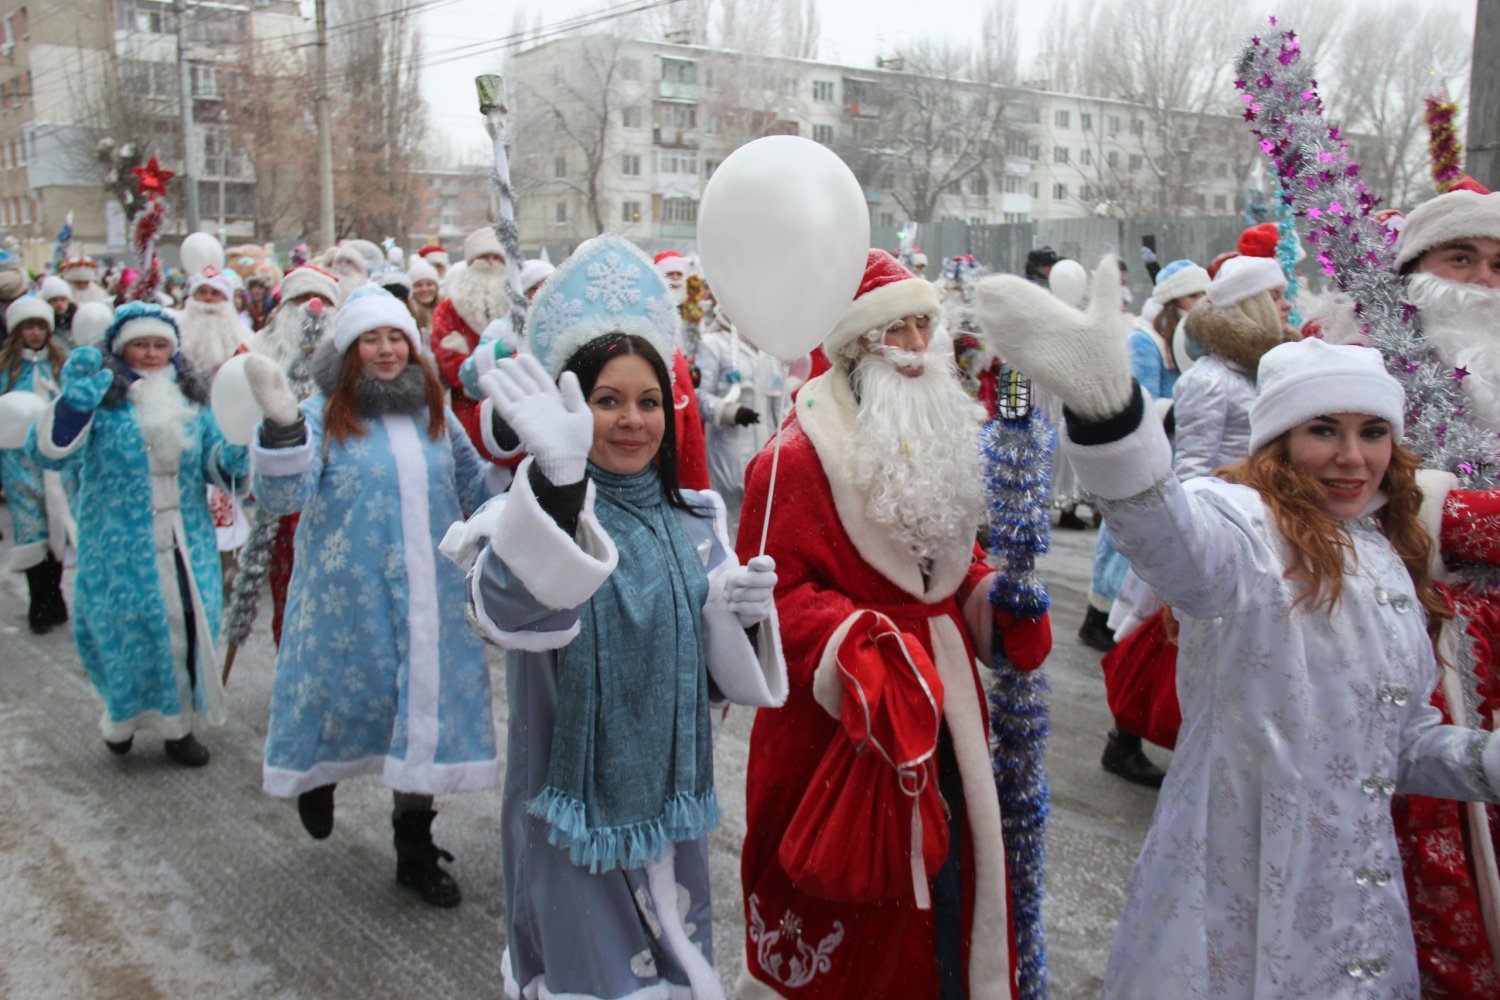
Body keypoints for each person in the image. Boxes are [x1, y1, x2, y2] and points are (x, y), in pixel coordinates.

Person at [978, 257, 1500, 999]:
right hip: (1236, 904)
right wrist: (1110, 414)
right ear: (1282, 441)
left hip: (1361, 919)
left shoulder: (1387, 559)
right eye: (1324, 430)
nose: (1353, 457)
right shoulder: (1246, 528)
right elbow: (1168, 536)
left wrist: (1483, 760)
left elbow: (1398, 743)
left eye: (1372, 431)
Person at [444, 234, 786, 997]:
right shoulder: (528, 516)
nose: (632, 420)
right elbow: (507, 613)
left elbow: (717, 682)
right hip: (569, 821)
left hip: (670, 812)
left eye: (648, 401)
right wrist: (560, 491)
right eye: (608, 401)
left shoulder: (697, 517)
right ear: (571, 404)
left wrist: (742, 614)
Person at [735, 249, 1051, 1000]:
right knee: (861, 914)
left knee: (947, 903)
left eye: (922, 326)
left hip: (948, 716)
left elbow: (952, 562)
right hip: (845, 729)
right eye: (895, 331)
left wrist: (989, 601)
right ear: (853, 347)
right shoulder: (794, 460)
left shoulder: (937, 437)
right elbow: (770, 598)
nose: (915, 347)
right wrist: (858, 644)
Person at [245, 285, 495, 907]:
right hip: (346, 601)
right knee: (342, 695)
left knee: (423, 717)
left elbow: (475, 484)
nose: (386, 351)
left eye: (395, 338)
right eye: (371, 339)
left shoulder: (433, 414)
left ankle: (413, 849)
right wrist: (281, 432)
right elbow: (284, 499)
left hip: (431, 600)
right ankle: (317, 776)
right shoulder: (322, 413)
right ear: (350, 349)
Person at [31, 303, 247, 765]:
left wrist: (237, 453)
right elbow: (53, 455)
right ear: (122, 349)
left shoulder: (192, 400)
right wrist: (73, 406)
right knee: (127, 632)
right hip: (118, 543)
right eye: (141, 345)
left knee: (191, 627)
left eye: (160, 345)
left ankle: (180, 728)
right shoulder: (101, 399)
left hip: (187, 540)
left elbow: (214, 460)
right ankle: (123, 716)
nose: (151, 354)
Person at [1387, 186, 1500, 995]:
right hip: (1413, 650)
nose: (1483, 282)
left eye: (1499, 264)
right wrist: (1460, 519)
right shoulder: (1359, 364)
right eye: (1461, 259)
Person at [1080, 258, 1207, 653]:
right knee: (1124, 541)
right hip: (1142, 458)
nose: (1201, 303)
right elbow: (1142, 400)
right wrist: (1188, 405)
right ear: (1172, 301)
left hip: (1169, 454)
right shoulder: (1144, 339)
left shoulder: (1184, 338)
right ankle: (1101, 615)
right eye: (1193, 295)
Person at [0, 296, 75, 632]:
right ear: (18, 331)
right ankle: (39, 602)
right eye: (28, 327)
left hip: (58, 460)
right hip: (20, 462)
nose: (34, 333)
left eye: (39, 326)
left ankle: (55, 596)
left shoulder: (61, 365)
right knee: (32, 529)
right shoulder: (7, 368)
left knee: (58, 525)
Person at [694, 308, 787, 528]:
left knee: (766, 517)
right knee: (733, 517)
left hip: (768, 448)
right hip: (730, 451)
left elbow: (781, 399)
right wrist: (730, 412)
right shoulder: (713, 344)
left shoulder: (770, 347)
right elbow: (698, 395)